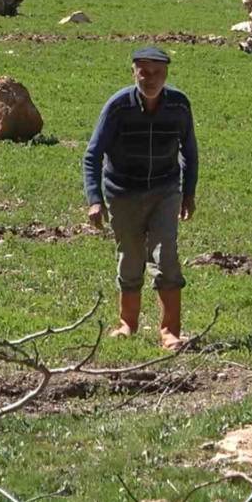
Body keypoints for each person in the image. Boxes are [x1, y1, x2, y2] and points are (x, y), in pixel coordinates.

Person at [83, 46, 198, 350]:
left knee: (166, 255)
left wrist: (188, 193)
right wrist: (94, 199)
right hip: (122, 192)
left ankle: (170, 331)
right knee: (131, 257)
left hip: (165, 191)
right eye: (144, 72)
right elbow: (93, 155)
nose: (150, 79)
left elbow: (189, 151)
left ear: (166, 74)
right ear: (133, 72)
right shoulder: (118, 106)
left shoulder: (179, 105)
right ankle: (127, 324)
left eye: (157, 72)